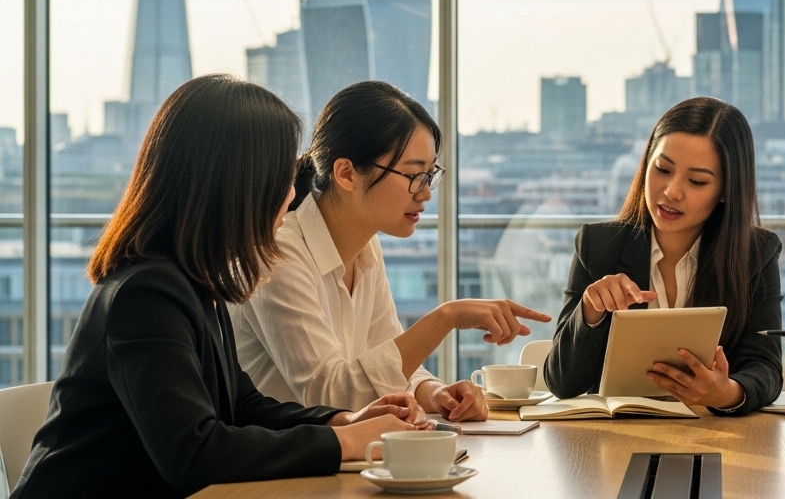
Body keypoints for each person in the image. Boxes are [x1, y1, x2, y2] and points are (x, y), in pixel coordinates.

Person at [12, 76, 425, 499]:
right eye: (282, 178)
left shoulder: (192, 282)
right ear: (238, 186)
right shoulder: (146, 294)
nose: (291, 195)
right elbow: (194, 452)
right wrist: (345, 443)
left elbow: (242, 407)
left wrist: (341, 422)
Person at [233, 81, 551, 420]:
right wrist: (447, 317)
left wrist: (437, 394)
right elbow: (332, 394)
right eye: (414, 175)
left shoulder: (366, 247)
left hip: (339, 456)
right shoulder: (278, 255)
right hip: (279, 466)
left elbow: (388, 363)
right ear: (346, 174)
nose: (425, 194)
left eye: (430, 175)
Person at [544, 97, 783, 414]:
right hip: (611, 443)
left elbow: (765, 367)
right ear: (646, 165)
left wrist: (727, 393)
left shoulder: (754, 254)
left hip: (716, 439)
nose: (671, 191)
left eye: (696, 181)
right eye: (662, 169)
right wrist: (590, 310)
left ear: (726, 190)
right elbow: (562, 383)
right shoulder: (598, 246)